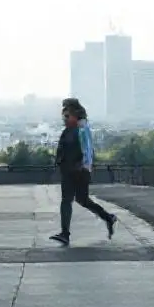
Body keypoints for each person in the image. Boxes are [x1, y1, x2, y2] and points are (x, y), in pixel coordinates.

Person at [50, 98, 117, 246]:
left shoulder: (81, 130)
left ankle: (66, 233)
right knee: (76, 199)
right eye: (64, 116)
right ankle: (107, 218)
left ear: (75, 115)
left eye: (67, 116)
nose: (64, 119)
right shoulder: (69, 130)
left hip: (78, 170)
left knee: (75, 200)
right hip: (69, 170)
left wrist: (82, 167)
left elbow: (87, 151)